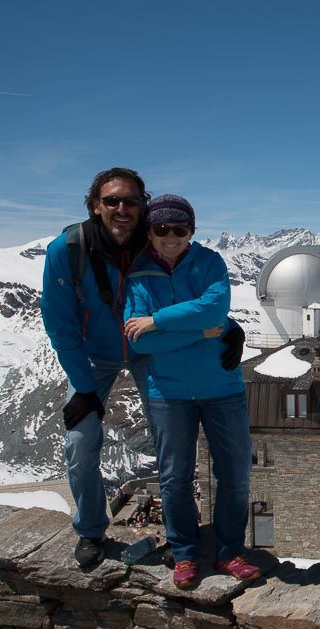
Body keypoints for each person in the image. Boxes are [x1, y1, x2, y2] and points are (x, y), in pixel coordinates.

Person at [41, 169, 246, 567]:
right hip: (95, 356)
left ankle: (179, 541)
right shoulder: (67, 250)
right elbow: (60, 326)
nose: (121, 209)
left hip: (148, 354)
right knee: (81, 443)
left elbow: (192, 295)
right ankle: (90, 530)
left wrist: (229, 327)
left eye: (131, 201)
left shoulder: (152, 238)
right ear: (95, 205)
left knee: (169, 450)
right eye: (112, 201)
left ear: (143, 206)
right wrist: (83, 387)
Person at [124, 194, 258, 589]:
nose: (170, 237)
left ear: (191, 231)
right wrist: (199, 332)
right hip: (169, 391)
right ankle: (184, 553)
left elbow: (214, 311)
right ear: (149, 231)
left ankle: (229, 550)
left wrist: (158, 321)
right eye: (161, 229)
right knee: (174, 478)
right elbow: (139, 343)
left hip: (221, 388)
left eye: (178, 229)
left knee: (235, 474)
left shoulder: (210, 263)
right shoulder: (139, 273)